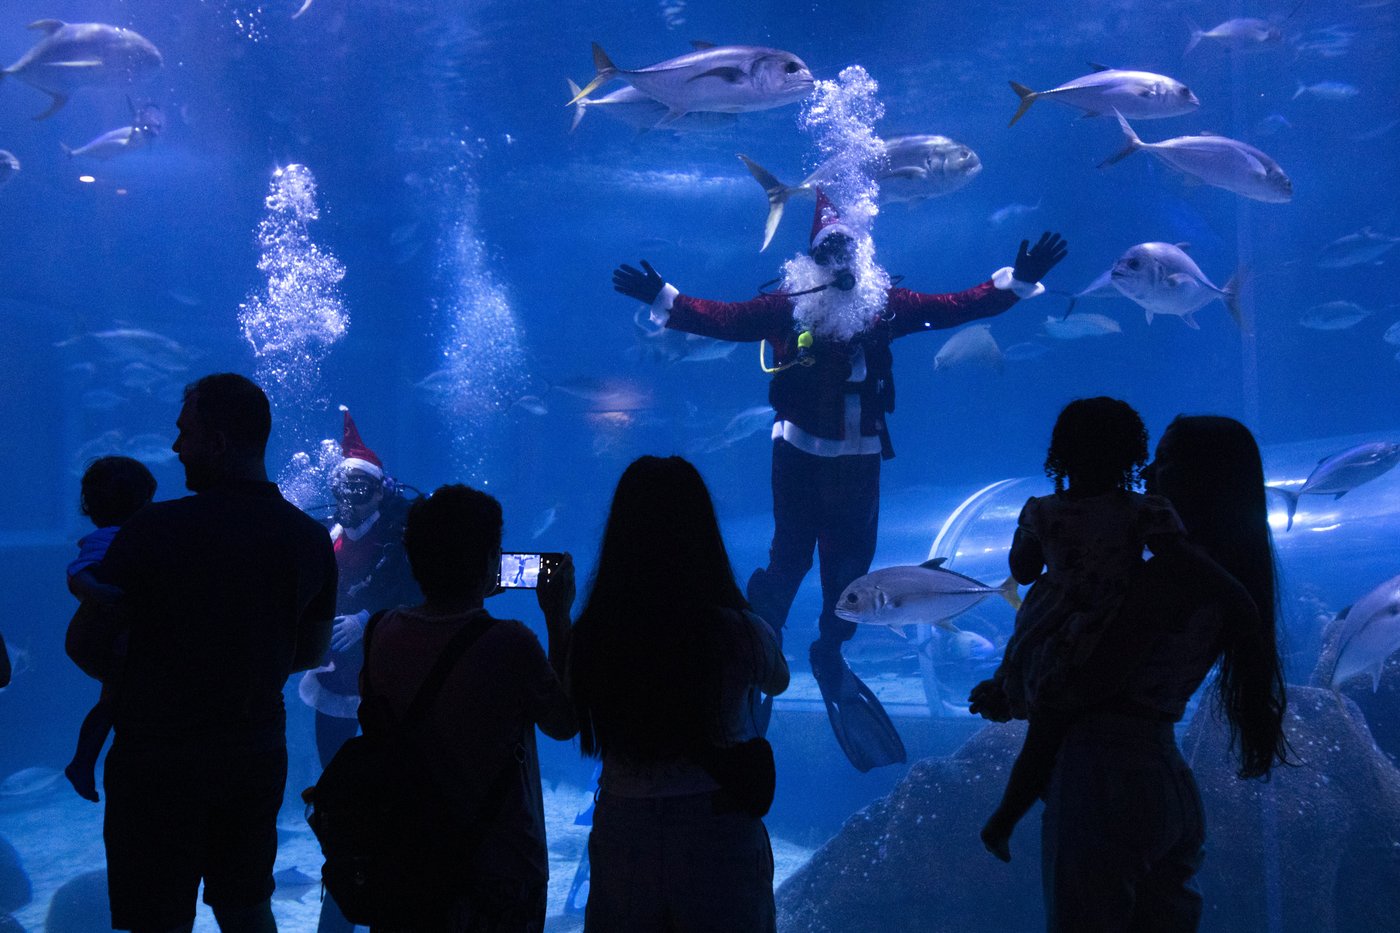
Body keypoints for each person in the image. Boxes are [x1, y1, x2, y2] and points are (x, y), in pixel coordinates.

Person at [613, 195, 1067, 771]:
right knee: (787, 560)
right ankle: (761, 646)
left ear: (861, 253)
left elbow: (952, 306)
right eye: (827, 249)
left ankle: (829, 653)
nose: (837, 260)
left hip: (858, 462)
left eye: (845, 248)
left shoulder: (884, 305)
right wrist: (663, 298)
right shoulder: (786, 307)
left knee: (849, 574)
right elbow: (725, 319)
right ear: (810, 257)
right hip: (800, 458)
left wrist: (1014, 283)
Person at [970, 414, 1289, 931]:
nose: (1147, 473)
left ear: (1197, 477)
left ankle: (1004, 818)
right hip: (1163, 775)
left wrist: (1029, 689)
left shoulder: (1168, 579)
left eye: (1163, 461)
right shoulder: (1223, 573)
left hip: (1103, 781)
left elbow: (1093, 680)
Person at [66, 373, 338, 933]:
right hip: (254, 751)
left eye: (184, 433)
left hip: (156, 760)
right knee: (246, 908)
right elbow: (309, 651)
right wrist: (239, 666)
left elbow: (85, 645)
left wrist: (153, 672)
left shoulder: (153, 529)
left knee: (156, 919)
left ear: (215, 442)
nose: (174, 447)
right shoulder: (308, 538)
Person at [568, 456, 790, 933]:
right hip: (716, 822)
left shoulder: (595, 631)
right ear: (703, 534)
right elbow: (779, 680)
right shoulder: (738, 630)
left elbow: (567, 714)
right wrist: (757, 612)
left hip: (622, 822)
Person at [363, 484, 576, 930]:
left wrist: (464, 591)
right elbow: (562, 722)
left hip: (409, 858)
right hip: (498, 867)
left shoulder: (382, 633)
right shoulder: (511, 643)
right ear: (488, 562)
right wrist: (558, 618)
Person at [298, 407, 420, 933]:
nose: (348, 501)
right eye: (341, 491)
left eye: (358, 490)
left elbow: (416, 592)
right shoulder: (328, 539)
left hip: (387, 679)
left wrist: (368, 620)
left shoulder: (402, 537)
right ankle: (345, 884)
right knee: (337, 787)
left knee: (393, 782)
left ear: (378, 491)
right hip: (333, 679)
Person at [63, 455, 158, 803]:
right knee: (115, 698)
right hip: (108, 638)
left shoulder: (114, 535)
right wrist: (104, 594)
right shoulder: (111, 538)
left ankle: (82, 762)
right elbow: (78, 574)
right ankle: (82, 762)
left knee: (111, 700)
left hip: (112, 637)